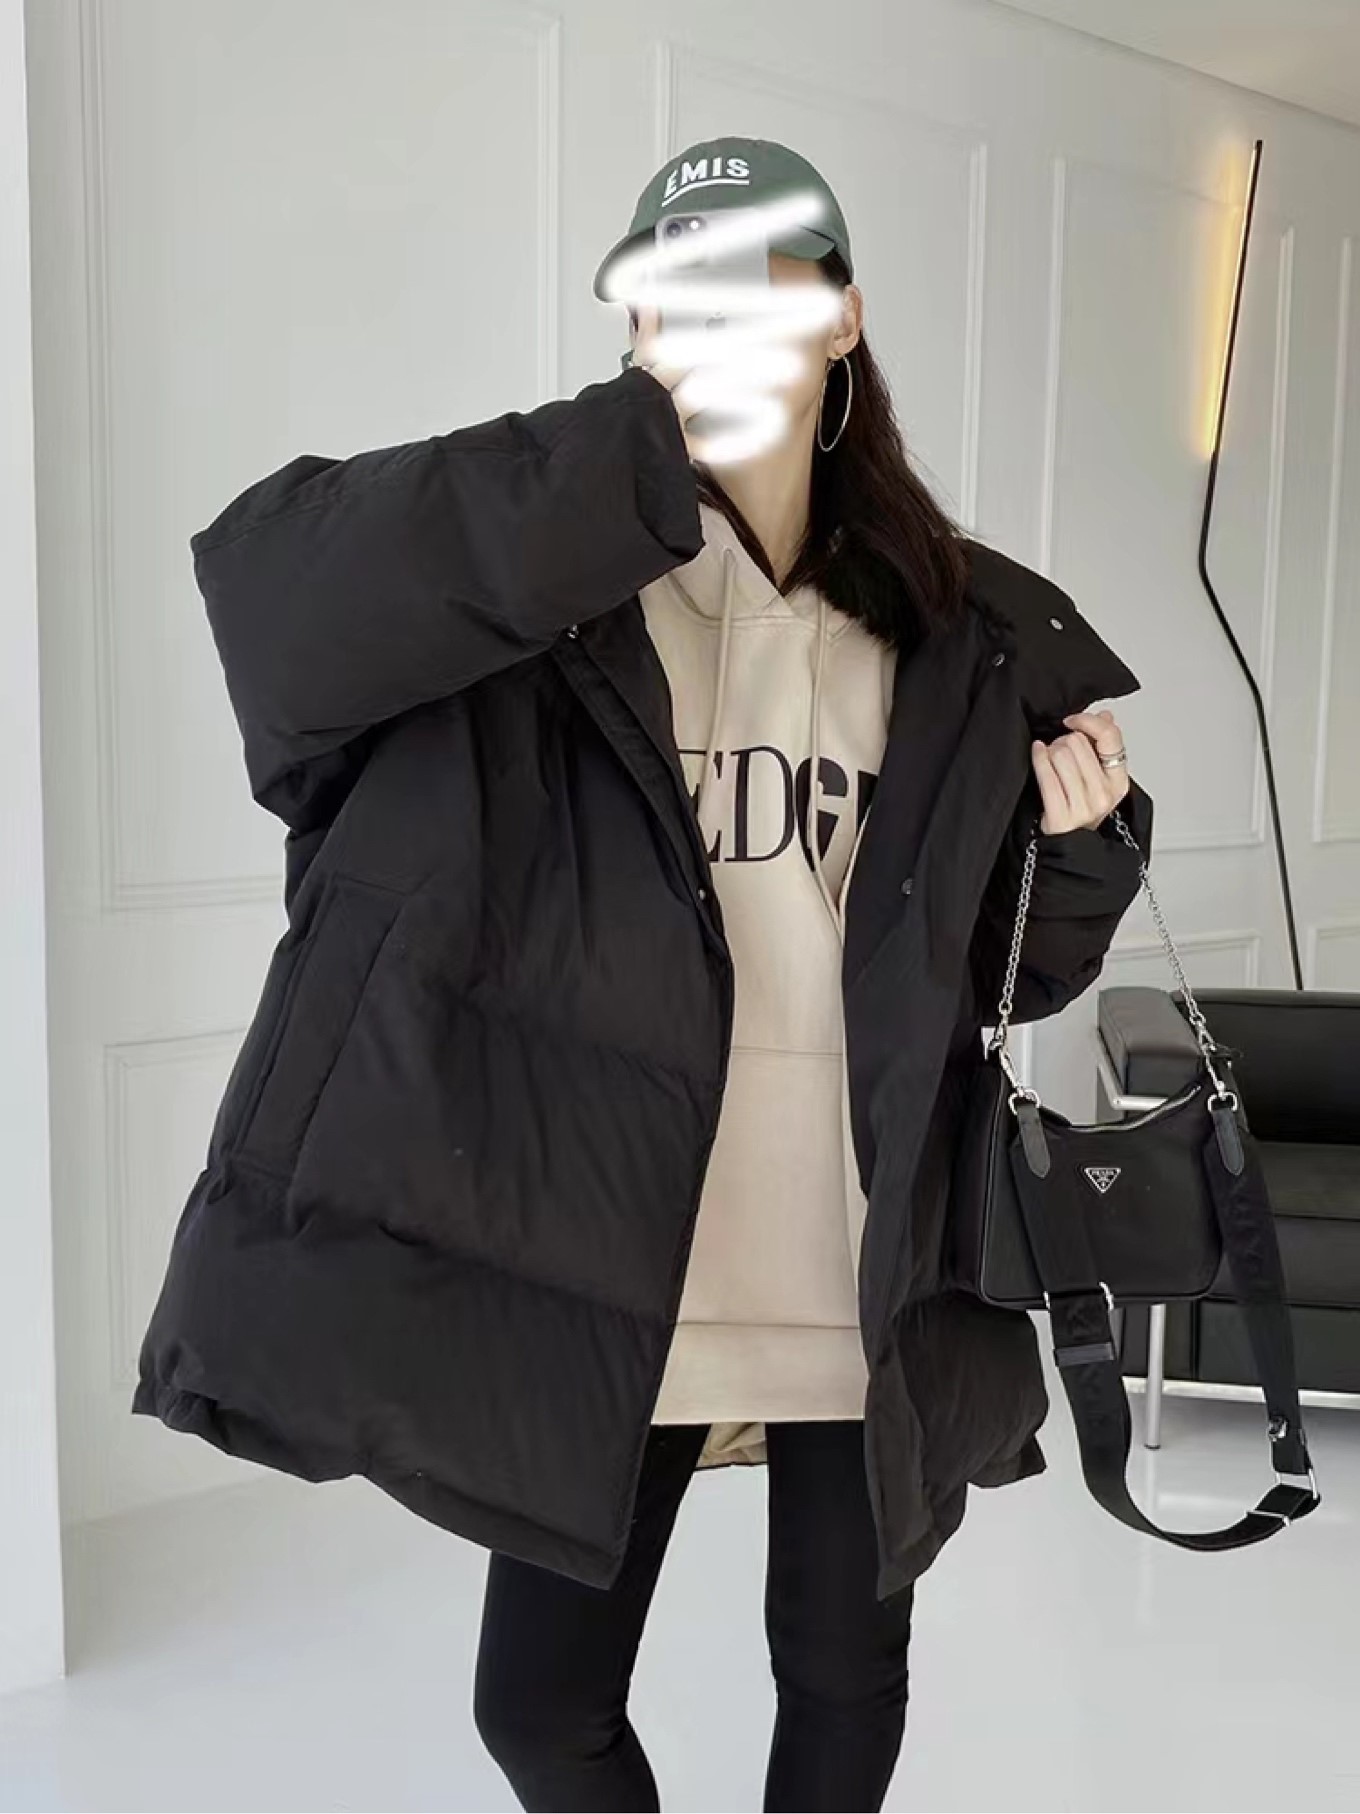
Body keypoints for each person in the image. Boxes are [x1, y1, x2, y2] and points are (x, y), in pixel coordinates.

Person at [132, 136, 1153, 1812]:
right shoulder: (543, 608)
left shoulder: (951, 635)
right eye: (678, 296)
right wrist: (615, 460)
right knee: (540, 1708)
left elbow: (997, 980)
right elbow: (276, 610)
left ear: (842, 320)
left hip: (858, 1265)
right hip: (614, 1265)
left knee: (843, 1674)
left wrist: (1081, 843)